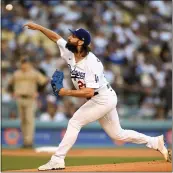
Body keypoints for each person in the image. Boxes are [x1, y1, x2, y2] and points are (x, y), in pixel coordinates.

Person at [23, 22, 171, 170]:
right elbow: (56, 37)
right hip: (102, 98)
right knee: (118, 135)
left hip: (102, 98)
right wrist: (39, 27)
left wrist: (66, 92)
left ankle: (58, 159)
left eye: (73, 36)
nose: (69, 37)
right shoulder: (70, 51)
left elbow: (89, 92)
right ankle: (154, 141)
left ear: (81, 42)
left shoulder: (92, 63)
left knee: (75, 122)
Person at [8, 57, 48, 148]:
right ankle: (25, 141)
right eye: (22, 63)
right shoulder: (17, 73)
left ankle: (29, 142)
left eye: (25, 63)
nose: (23, 65)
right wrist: (12, 92)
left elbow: (44, 81)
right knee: (23, 121)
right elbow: (9, 85)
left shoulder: (34, 73)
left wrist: (38, 92)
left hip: (30, 99)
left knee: (29, 120)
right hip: (19, 98)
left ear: (28, 64)